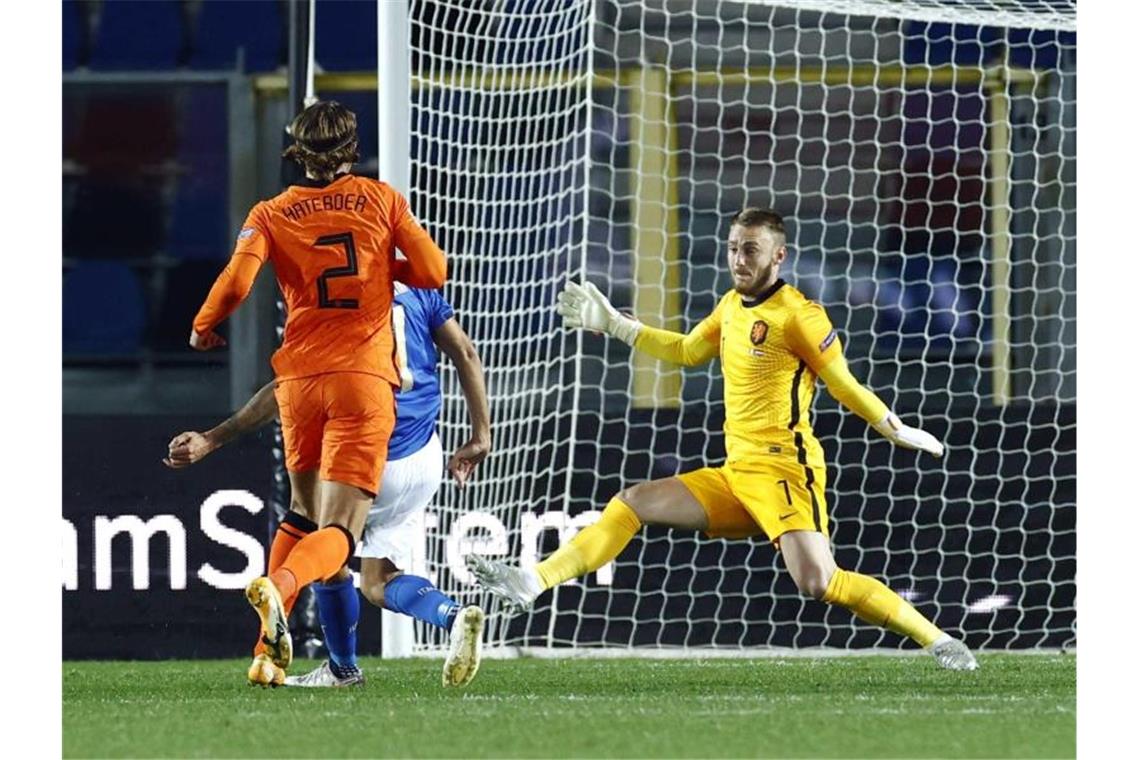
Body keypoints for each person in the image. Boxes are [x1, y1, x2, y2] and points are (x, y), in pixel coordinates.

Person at [467, 207, 978, 671]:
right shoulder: (731, 306)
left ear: (778, 255)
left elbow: (843, 383)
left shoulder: (799, 315)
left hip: (784, 471)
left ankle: (939, 641)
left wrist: (892, 426)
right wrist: (619, 327)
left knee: (819, 583)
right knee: (632, 502)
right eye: (734, 247)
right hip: (737, 474)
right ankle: (532, 581)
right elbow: (689, 350)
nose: (738, 258)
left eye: (750, 249)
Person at [188, 100, 448, 683]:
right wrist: (386, 267)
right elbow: (433, 272)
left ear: (295, 150)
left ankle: (266, 652)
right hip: (360, 381)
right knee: (340, 533)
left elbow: (236, 284)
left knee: (303, 515)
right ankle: (281, 588)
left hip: (298, 382)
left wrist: (205, 326)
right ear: (352, 149)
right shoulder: (381, 200)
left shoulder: (272, 212)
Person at [166, 282, 491, 687]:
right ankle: (453, 615)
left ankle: (327, 648)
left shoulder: (337, 299)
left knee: (326, 547)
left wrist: (214, 437)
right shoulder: (421, 295)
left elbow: (287, 388)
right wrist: (481, 436)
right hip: (425, 458)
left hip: (369, 451)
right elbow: (467, 352)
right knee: (378, 581)